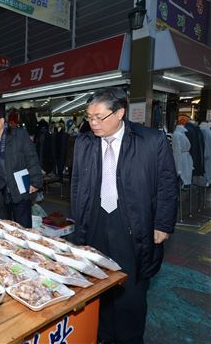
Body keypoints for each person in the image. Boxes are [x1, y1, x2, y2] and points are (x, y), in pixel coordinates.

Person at [70, 88, 178, 344]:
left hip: (134, 224)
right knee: (98, 286)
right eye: (89, 117)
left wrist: (162, 223)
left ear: (120, 113)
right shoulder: (84, 142)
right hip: (94, 222)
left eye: (99, 117)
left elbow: (167, 183)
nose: (93, 123)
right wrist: (78, 219)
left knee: (130, 294)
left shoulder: (151, 140)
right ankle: (104, 336)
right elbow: (76, 183)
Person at [0, 108, 43, 227]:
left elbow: (31, 157)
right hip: (1, 191)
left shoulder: (19, 134)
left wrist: (36, 181)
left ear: (1, 120)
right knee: (5, 227)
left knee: (23, 227)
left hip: (20, 187)